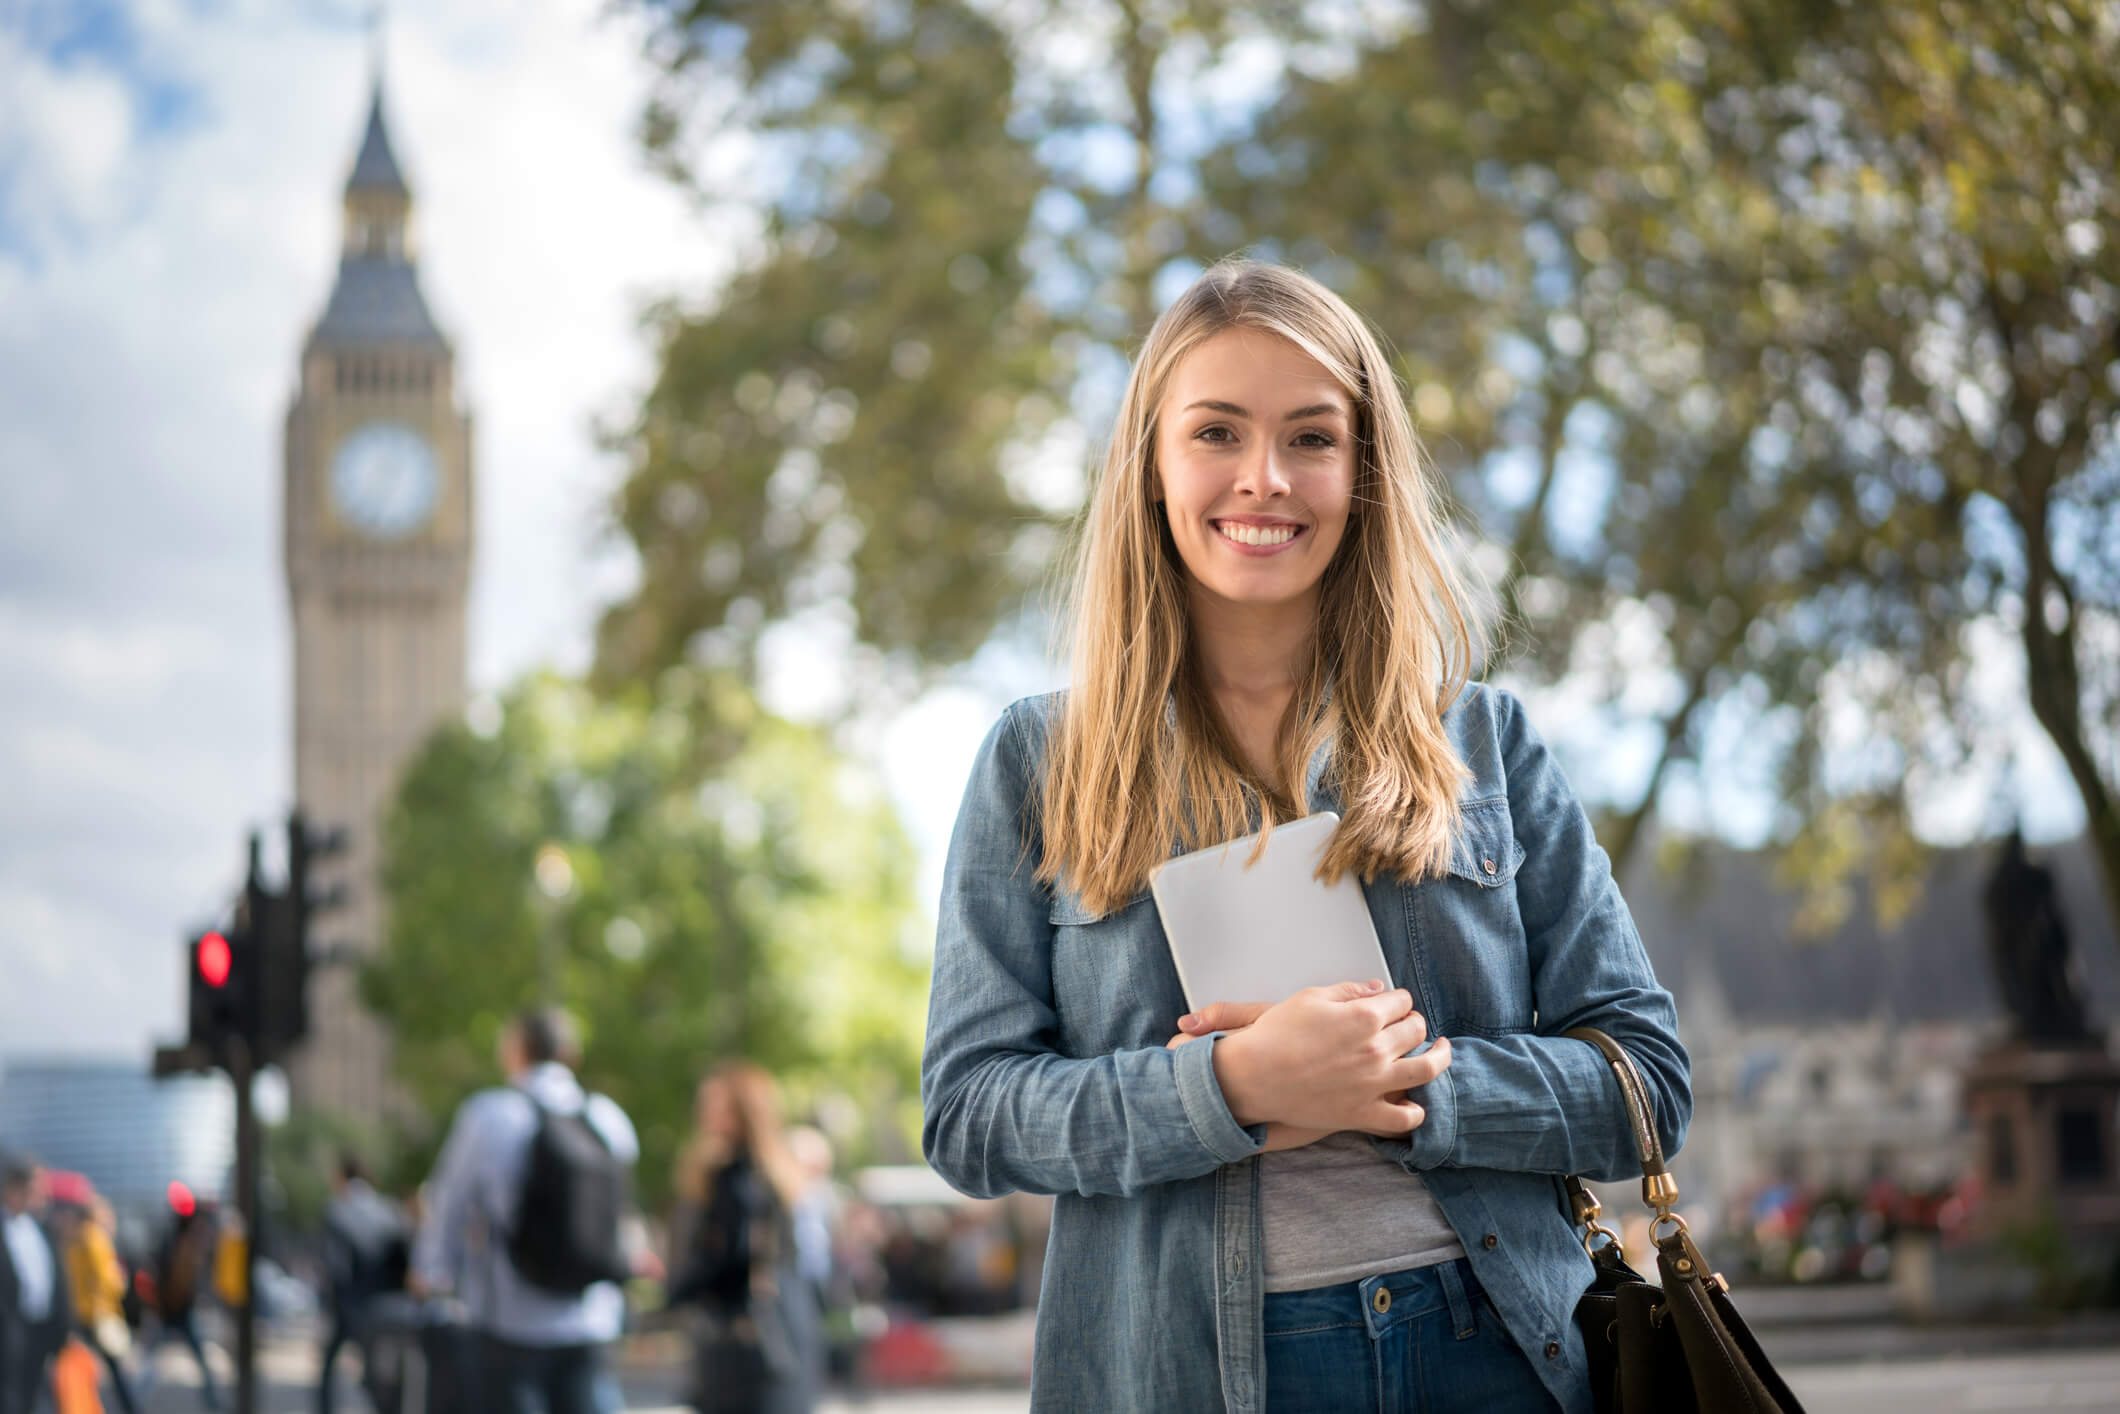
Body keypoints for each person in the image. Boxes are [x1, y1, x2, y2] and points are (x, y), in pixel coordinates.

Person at [920, 259, 1692, 1414]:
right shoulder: (1037, 763)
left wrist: (1404, 1087)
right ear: (1152, 463)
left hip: (1494, 1355)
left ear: (1364, 468)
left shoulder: (1484, 740)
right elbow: (970, 1112)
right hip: (1189, 1376)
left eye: (1311, 438)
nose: (1263, 479)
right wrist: (1227, 1085)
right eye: (1216, 433)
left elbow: (1645, 1080)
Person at [410, 1007, 643, 1414]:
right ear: (570, 1052)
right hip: (592, 1312)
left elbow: (450, 1203)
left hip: (511, 1317)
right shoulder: (609, 1118)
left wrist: (432, 1273)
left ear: (515, 1049)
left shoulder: (489, 1113)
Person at [664, 1064, 821, 1414]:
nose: (705, 1115)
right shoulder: (779, 1175)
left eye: (716, 1106)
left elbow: (728, 1257)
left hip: (747, 1338)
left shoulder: (734, 1178)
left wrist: (679, 1290)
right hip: (784, 1329)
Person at [318, 1154, 408, 1414]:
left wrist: (334, 1302)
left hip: (350, 1303)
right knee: (376, 1370)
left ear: (342, 1177)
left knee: (331, 1369)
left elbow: (335, 1265)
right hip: (383, 1302)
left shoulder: (337, 1209)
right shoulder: (387, 1208)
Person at [1, 1157, 72, 1414]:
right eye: (35, 1189)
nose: (42, 1196)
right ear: (13, 1189)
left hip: (41, 1330)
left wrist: (63, 1327)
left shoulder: (42, 1228)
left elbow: (58, 1280)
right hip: (9, 1332)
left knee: (34, 1398)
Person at [135, 1200, 221, 1412]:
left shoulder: (182, 1242)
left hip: (177, 1311)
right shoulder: (181, 1244)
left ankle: (213, 1402)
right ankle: (135, 1400)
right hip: (171, 1311)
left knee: (154, 1360)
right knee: (152, 1361)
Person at [57, 1195, 135, 1414]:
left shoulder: (76, 1241)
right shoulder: (93, 1238)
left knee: (90, 1369)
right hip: (95, 1314)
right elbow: (109, 1280)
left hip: (83, 1314)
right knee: (110, 1371)